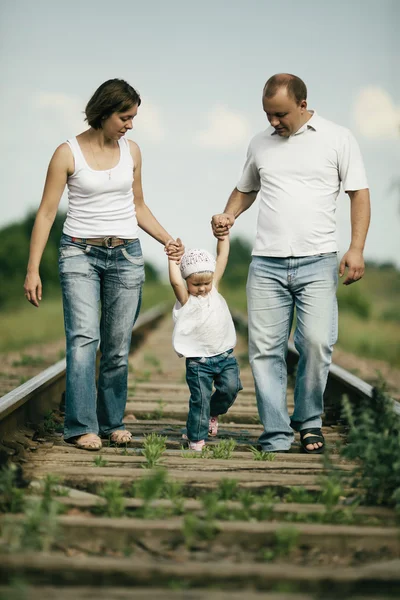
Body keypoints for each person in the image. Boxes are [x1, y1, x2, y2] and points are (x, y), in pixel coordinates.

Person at [212, 73, 370, 454]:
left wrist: (356, 248)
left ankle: (309, 420)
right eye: (268, 114)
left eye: (280, 114)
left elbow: (359, 194)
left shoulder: (338, 138)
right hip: (266, 263)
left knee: (316, 342)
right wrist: (228, 214)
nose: (273, 122)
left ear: (302, 105)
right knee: (265, 350)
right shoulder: (260, 143)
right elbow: (245, 188)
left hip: (317, 261)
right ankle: (277, 434)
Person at [24, 79, 184, 451]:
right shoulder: (67, 153)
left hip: (126, 255)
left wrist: (167, 239)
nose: (130, 125)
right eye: (125, 117)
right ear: (103, 113)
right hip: (79, 254)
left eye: (133, 118)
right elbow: (47, 213)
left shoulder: (133, 152)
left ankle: (111, 421)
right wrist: (33, 268)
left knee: (116, 346)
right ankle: (82, 426)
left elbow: (138, 205)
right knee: (83, 340)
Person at [168, 236, 242, 451]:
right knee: (200, 399)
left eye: (206, 283)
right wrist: (172, 258)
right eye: (196, 284)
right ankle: (196, 440)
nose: (202, 288)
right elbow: (174, 281)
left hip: (224, 356)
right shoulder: (186, 300)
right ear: (187, 282)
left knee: (231, 388)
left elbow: (223, 256)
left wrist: (224, 237)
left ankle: (213, 412)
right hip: (198, 362)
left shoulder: (214, 290)